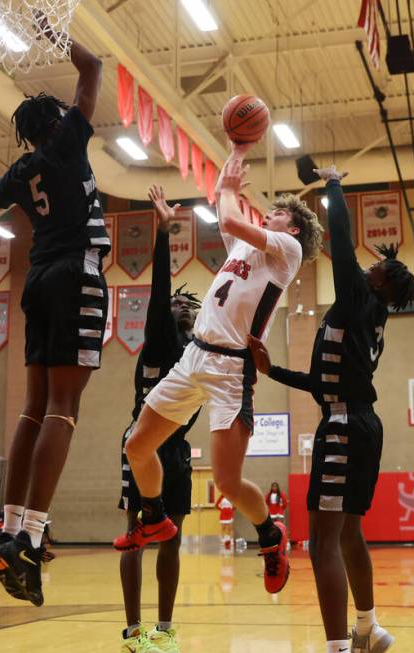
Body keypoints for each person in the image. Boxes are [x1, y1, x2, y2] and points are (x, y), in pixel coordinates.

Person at [115, 148, 322, 602]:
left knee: (227, 482)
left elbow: (228, 217)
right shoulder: (250, 246)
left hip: (231, 369)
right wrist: (232, 155)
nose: (270, 213)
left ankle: (270, 535)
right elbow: (225, 216)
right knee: (137, 445)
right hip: (194, 357)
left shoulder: (287, 251)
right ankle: (154, 516)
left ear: (294, 227)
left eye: (280, 212)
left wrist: (230, 186)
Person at [0, 25, 107, 609]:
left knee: (33, 408)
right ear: (58, 119)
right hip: (76, 272)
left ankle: (10, 531)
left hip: (38, 278)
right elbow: (92, 69)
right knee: (65, 409)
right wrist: (54, 29)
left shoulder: (21, 173)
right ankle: (32, 536)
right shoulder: (67, 139)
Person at [248, 165, 414, 653]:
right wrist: (273, 370)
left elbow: (340, 240)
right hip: (359, 420)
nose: (365, 267)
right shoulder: (368, 315)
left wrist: (334, 183)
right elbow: (324, 381)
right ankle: (367, 628)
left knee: (322, 541)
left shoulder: (358, 297)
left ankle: (338, 647)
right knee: (348, 535)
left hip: (343, 425)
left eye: (375, 269)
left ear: (380, 285)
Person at [114, 185, 200, 652]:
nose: (182, 304)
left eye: (190, 304)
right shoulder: (161, 341)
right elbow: (161, 290)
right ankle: (133, 632)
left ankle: (164, 630)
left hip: (178, 449)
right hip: (144, 442)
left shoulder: (196, 353)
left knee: (173, 538)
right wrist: (164, 233)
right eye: (177, 302)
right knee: (136, 535)